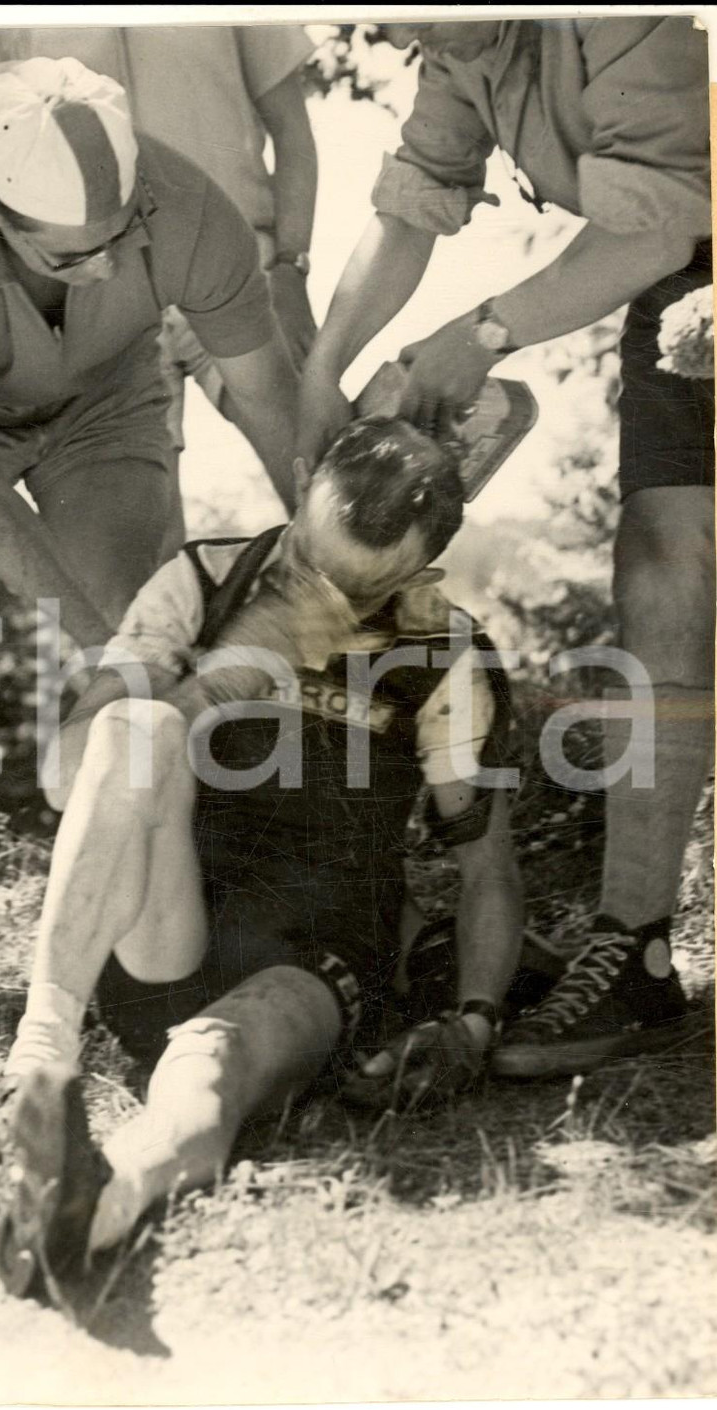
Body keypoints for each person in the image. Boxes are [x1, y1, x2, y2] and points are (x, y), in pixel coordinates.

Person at [0, 415, 524, 1309]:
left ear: (418, 569)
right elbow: (67, 775)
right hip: (164, 923)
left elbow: (486, 862)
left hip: (313, 959)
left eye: (363, 589)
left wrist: (474, 1022)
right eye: (314, 560)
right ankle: (40, 1062)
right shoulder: (210, 578)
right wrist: (216, 681)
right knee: (138, 725)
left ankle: (101, 1200)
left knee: (211, 1068)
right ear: (299, 485)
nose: (328, 597)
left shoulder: (448, 651)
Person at [0, 56, 299, 1068]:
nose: (110, 259)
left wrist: (332, 557)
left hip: (104, 402)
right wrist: (119, 647)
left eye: (123, 234)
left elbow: (271, 394)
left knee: (140, 632)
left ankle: (139, 938)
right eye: (75, 255)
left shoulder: (182, 206)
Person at [297, 18, 713, 1079]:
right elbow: (409, 206)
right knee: (662, 562)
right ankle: (636, 950)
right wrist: (324, 371)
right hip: (683, 271)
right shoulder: (459, 48)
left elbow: (656, 223)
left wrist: (479, 335)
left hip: (676, 234)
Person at [0, 23, 318, 461]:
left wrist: (291, 267)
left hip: (235, 267)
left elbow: (293, 133)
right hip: (95, 282)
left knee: (314, 471)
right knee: (141, 516)